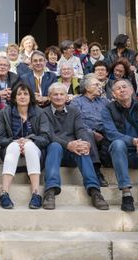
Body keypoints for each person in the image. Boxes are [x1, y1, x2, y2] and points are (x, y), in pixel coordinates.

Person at [42, 82, 109, 210]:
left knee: (82, 148)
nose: (58, 97)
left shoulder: (74, 111)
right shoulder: (43, 113)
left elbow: (81, 129)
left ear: (66, 97)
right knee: (55, 145)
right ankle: (50, 191)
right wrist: (68, 144)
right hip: (54, 152)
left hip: (73, 151)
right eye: (55, 94)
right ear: (49, 97)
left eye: (62, 94)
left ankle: (95, 191)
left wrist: (86, 142)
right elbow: (48, 135)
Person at [102, 79, 138, 212]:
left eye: (124, 87)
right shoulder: (107, 109)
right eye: (118, 89)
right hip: (119, 154)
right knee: (118, 143)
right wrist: (135, 141)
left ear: (132, 90)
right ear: (113, 94)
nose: (122, 90)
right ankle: (126, 194)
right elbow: (111, 134)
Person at [0, 83, 50, 209]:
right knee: (14, 147)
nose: (22, 97)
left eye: (25, 94)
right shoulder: (4, 113)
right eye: (19, 94)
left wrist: (28, 140)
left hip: (33, 149)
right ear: (14, 98)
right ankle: (4, 193)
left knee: (30, 146)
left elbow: (46, 137)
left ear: (31, 97)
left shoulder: (40, 113)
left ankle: (36, 193)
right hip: (11, 149)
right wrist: (15, 141)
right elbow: (0, 139)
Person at [70, 74, 110, 186]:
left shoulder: (105, 102)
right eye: (96, 84)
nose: (100, 87)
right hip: (87, 132)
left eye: (100, 85)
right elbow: (77, 122)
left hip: (104, 132)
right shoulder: (77, 102)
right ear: (87, 88)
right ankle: (96, 170)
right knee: (86, 133)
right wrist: (93, 133)